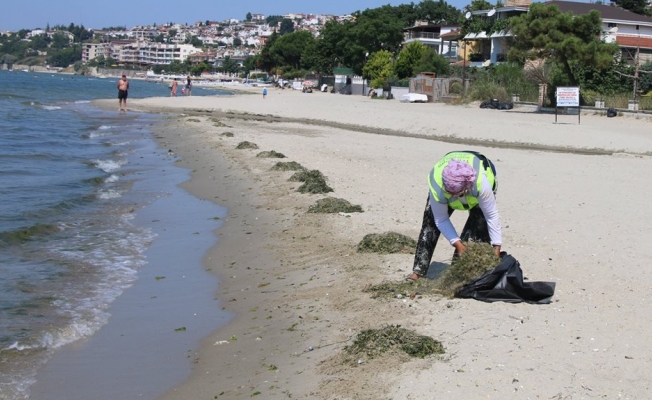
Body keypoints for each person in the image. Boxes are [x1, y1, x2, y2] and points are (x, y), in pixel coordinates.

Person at [408, 150, 502, 281]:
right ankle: (418, 271)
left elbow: (491, 215)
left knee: (477, 229)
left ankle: (459, 272)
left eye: (455, 193)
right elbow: (440, 219)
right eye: (449, 192)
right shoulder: (437, 185)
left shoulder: (481, 184)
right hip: (451, 185)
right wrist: (457, 244)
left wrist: (496, 248)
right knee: (429, 225)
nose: (452, 197)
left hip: (474, 190)